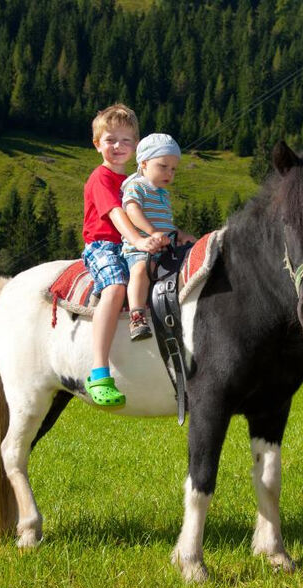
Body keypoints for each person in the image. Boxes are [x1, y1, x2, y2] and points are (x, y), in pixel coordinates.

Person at [81, 104, 168, 409]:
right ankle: (99, 371)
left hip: (132, 244)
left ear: (136, 144)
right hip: (104, 244)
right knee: (116, 286)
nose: (118, 146)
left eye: (126, 140)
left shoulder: (135, 181)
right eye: (110, 140)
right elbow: (117, 214)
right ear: (97, 144)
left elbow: (148, 214)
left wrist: (170, 234)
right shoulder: (101, 178)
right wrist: (138, 240)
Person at [120, 133, 197, 340]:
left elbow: (166, 225)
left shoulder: (163, 194)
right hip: (140, 248)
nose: (169, 173)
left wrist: (180, 235)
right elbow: (132, 211)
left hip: (163, 248)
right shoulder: (136, 186)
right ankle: (136, 315)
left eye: (173, 169)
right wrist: (152, 233)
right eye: (163, 166)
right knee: (139, 271)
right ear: (144, 163)